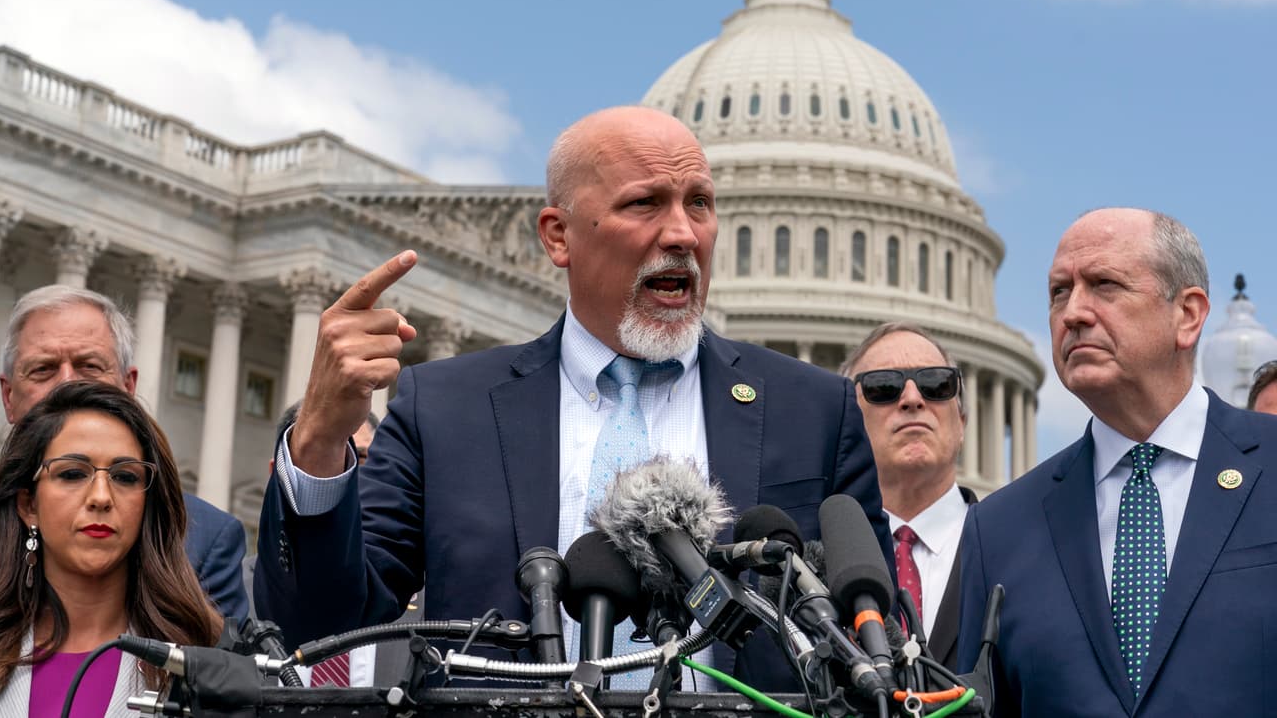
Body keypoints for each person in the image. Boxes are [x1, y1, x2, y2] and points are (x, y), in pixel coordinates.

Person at [255, 106, 892, 691]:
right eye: (645, 203)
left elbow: (877, 639)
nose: (683, 234)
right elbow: (321, 625)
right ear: (558, 236)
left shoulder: (814, 411)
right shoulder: (445, 409)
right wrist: (316, 440)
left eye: (699, 203)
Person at [956, 208, 1277, 716]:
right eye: (1060, 292)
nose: (1073, 313)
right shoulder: (996, 529)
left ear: (1188, 314)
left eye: (1104, 285)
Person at [0, 286, 249, 622]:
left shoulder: (204, 540)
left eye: (89, 366)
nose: (67, 384)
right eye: (43, 369)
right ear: (8, 395)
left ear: (128, 388)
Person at [0, 380, 222, 716]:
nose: (101, 497)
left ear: (147, 503)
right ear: (28, 504)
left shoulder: (206, 660)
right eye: (73, 473)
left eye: (125, 477)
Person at [242, 402, 422, 688]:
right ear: (279, 473)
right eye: (322, 458)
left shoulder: (425, 601)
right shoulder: (229, 590)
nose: (343, 476)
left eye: (360, 459)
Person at [840, 322, 976, 670]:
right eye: (884, 387)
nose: (913, 399)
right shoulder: (813, 568)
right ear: (847, 425)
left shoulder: (1019, 549)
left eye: (936, 384)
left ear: (961, 422)